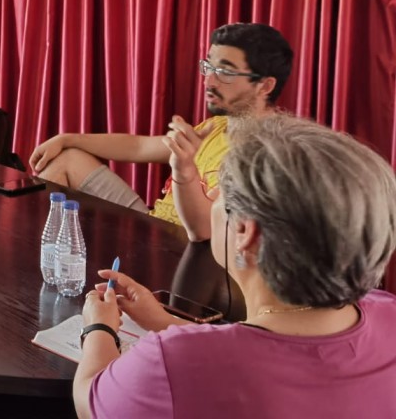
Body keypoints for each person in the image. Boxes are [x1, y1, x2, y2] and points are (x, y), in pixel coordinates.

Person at [74, 115, 396, 419]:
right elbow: (279, 351)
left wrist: (99, 328)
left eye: (219, 193)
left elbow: (91, 400)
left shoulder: (173, 361)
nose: (210, 194)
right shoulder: (387, 312)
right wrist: (165, 321)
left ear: (245, 230)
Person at [29, 23, 293, 239]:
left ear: (265, 86)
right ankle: (36, 254)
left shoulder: (267, 153)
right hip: (153, 228)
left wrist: (184, 168)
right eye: (209, 67)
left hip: (187, 253)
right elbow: (139, 147)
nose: (208, 81)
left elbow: (202, 232)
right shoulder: (216, 126)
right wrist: (67, 138)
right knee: (68, 158)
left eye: (224, 71)